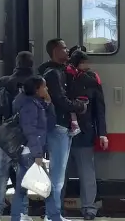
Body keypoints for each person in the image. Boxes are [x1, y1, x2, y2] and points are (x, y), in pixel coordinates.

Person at [38, 39, 87, 221]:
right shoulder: (53, 73)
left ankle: (53, 214)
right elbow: (60, 100)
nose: (67, 51)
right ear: (56, 50)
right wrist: (79, 106)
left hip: (60, 126)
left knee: (58, 174)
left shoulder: (53, 71)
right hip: (59, 127)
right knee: (57, 176)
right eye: (64, 48)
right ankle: (52, 215)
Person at [0, 51, 35, 221]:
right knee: (23, 175)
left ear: (16, 63)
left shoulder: (3, 82)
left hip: (6, 136)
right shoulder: (36, 83)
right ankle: (22, 213)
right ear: (31, 64)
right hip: (26, 136)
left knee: (2, 175)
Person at [65, 49, 108, 220]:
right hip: (77, 134)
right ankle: (88, 208)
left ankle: (59, 207)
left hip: (70, 134)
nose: (88, 65)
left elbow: (100, 109)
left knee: (63, 173)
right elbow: (100, 110)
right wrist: (102, 133)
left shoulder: (85, 79)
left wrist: (102, 133)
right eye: (84, 62)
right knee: (85, 172)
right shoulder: (68, 77)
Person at [10, 76, 56, 221]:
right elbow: (31, 131)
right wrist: (38, 154)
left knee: (21, 189)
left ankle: (15, 217)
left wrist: (48, 101)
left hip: (26, 150)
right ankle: (55, 217)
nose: (47, 89)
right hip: (31, 152)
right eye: (45, 86)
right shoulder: (30, 106)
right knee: (48, 188)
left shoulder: (30, 102)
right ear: (37, 89)